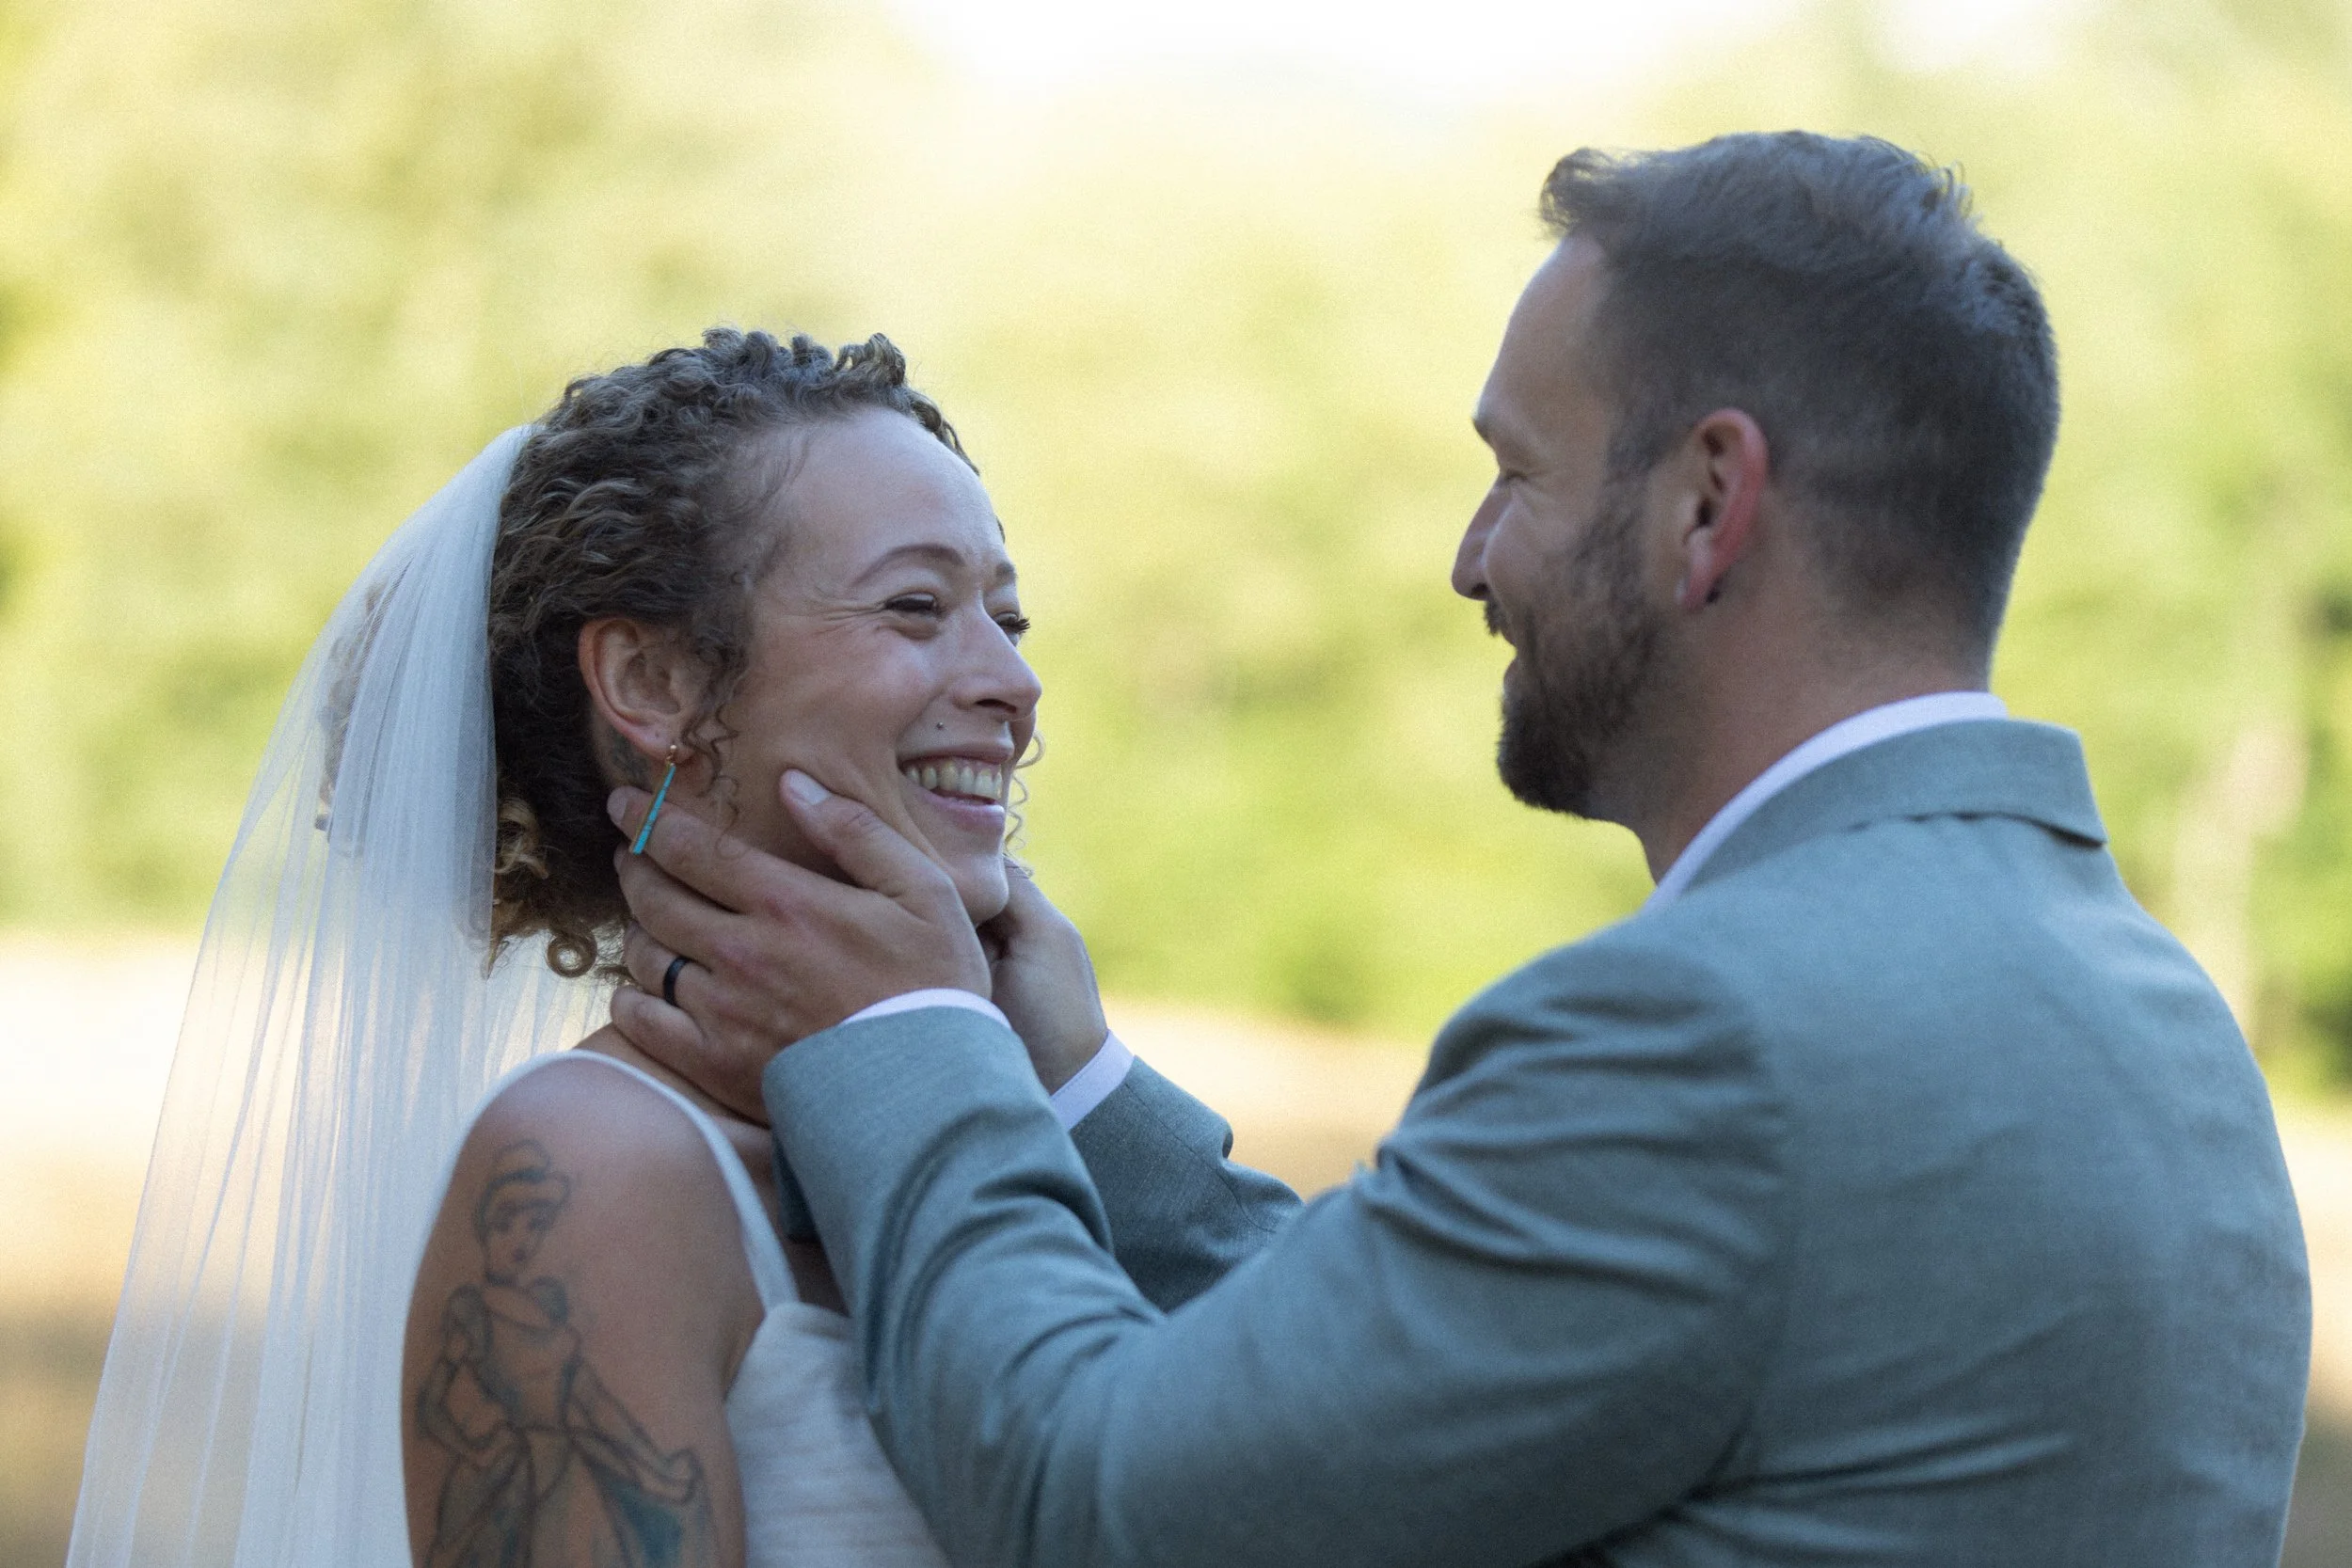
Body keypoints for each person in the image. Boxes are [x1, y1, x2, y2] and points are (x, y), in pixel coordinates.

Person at [606, 134, 2314, 1564]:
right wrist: (1078, 1087)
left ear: (1706, 504)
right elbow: (1415, 1384)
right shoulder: (2156, 1016)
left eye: (1516, 472)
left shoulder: (1704, 1037)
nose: (1471, 558)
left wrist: (909, 1042)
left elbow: (1097, 1505)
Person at [72, 329, 1290, 1568]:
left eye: (1008, 616)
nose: (1014, 686)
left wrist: (1054, 1072)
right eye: (917, 606)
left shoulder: (1040, 1134)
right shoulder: (599, 1170)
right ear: (652, 679)